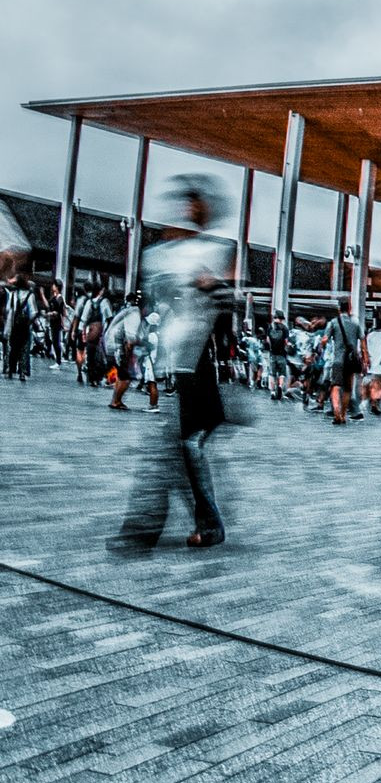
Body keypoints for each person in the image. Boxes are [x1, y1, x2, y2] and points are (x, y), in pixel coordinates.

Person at [111, 178, 237, 554]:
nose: (183, 214)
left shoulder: (215, 250)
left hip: (192, 367)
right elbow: (154, 304)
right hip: (172, 366)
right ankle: (209, 523)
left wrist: (212, 285)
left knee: (170, 450)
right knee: (183, 452)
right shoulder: (159, 256)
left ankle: (143, 529)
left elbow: (225, 303)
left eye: (193, 206)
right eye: (182, 206)